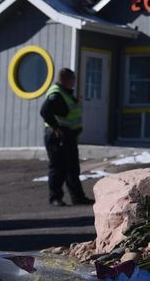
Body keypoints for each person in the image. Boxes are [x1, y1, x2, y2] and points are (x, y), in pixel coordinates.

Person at [40, 68, 94, 207]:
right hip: (57, 136)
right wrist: (56, 128)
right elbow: (45, 111)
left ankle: (78, 197)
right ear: (66, 79)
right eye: (73, 79)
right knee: (58, 168)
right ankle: (55, 198)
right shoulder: (56, 94)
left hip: (68, 136)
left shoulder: (65, 93)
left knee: (72, 168)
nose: (74, 82)